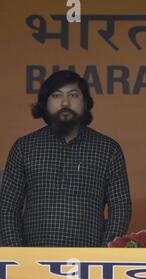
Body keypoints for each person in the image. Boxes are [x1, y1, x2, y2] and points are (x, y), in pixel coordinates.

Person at [0, 70, 132, 247]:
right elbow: (7, 209)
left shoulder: (108, 149)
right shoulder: (24, 147)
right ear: (45, 103)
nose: (65, 102)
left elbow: (121, 209)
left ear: (85, 102)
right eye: (56, 95)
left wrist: (104, 256)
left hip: (90, 264)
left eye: (73, 95)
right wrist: (18, 255)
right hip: (31, 263)